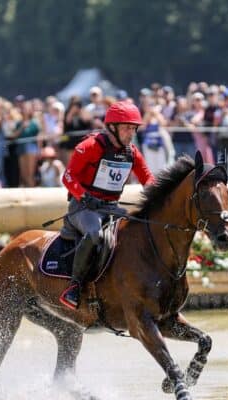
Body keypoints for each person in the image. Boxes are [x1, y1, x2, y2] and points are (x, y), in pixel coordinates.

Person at [59, 101, 155, 310]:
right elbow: (68, 177)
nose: (131, 133)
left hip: (110, 207)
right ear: (112, 127)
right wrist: (85, 197)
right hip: (83, 207)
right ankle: (74, 287)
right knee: (95, 235)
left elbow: (147, 178)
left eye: (133, 128)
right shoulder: (90, 147)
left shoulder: (132, 152)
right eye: (126, 128)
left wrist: (161, 196)